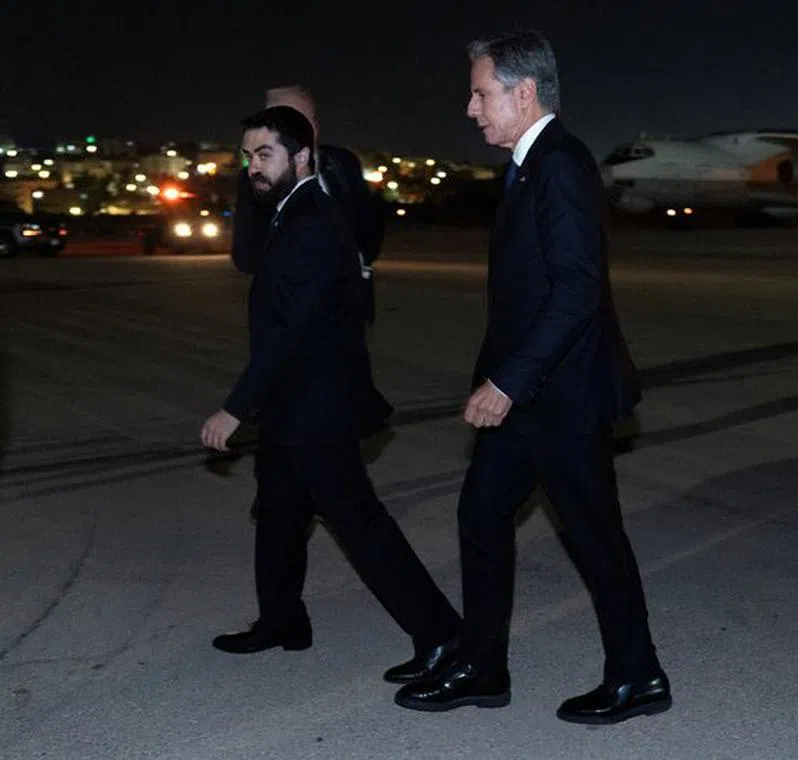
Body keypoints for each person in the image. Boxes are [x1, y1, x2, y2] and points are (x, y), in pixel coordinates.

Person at [393, 30, 670, 725]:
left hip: (561, 395)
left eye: (482, 92)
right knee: (481, 514)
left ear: (524, 92)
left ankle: (637, 677)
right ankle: (482, 664)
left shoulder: (559, 164)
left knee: (593, 535)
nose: (470, 107)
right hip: (530, 394)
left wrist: (508, 382)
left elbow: (576, 288)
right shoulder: (530, 163)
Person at [201, 106, 461, 681]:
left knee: (359, 523)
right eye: (247, 157)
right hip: (293, 406)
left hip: (318, 407)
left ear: (301, 157)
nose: (252, 168)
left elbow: (289, 330)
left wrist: (235, 407)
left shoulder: (314, 221)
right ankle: (281, 621)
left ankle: (442, 635)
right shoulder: (288, 211)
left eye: (264, 154)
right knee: (277, 515)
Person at [232, 86, 384, 323]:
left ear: (314, 123)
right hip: (287, 316)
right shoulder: (255, 178)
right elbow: (245, 256)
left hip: (348, 310)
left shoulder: (342, 163)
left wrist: (356, 265)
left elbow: (368, 226)